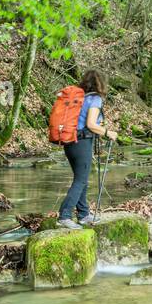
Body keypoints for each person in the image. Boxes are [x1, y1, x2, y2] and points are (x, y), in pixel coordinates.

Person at [57, 69, 117, 228]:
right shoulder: (95, 99)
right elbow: (91, 124)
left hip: (69, 141)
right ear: (101, 84)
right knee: (81, 179)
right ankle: (64, 215)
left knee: (80, 178)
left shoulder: (79, 97)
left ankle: (83, 214)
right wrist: (108, 133)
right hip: (82, 142)